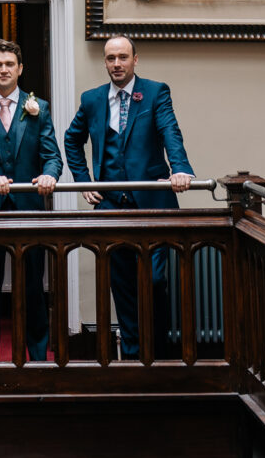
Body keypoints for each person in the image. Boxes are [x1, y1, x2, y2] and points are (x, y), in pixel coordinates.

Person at [63, 35, 193, 360]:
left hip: (152, 205)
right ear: (105, 62)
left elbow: (169, 130)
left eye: (122, 57)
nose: (116, 64)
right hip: (111, 208)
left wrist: (180, 169)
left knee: (155, 281)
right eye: (110, 58)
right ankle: (135, 358)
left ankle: (160, 357)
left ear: (136, 59)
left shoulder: (155, 92)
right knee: (121, 286)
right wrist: (83, 182)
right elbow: (71, 139)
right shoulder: (92, 99)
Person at [0, 38, 63, 362]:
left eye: (9, 64)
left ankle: (37, 357)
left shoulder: (38, 107)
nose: (3, 70)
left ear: (20, 68)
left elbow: (52, 156)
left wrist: (50, 176)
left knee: (33, 289)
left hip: (29, 211)